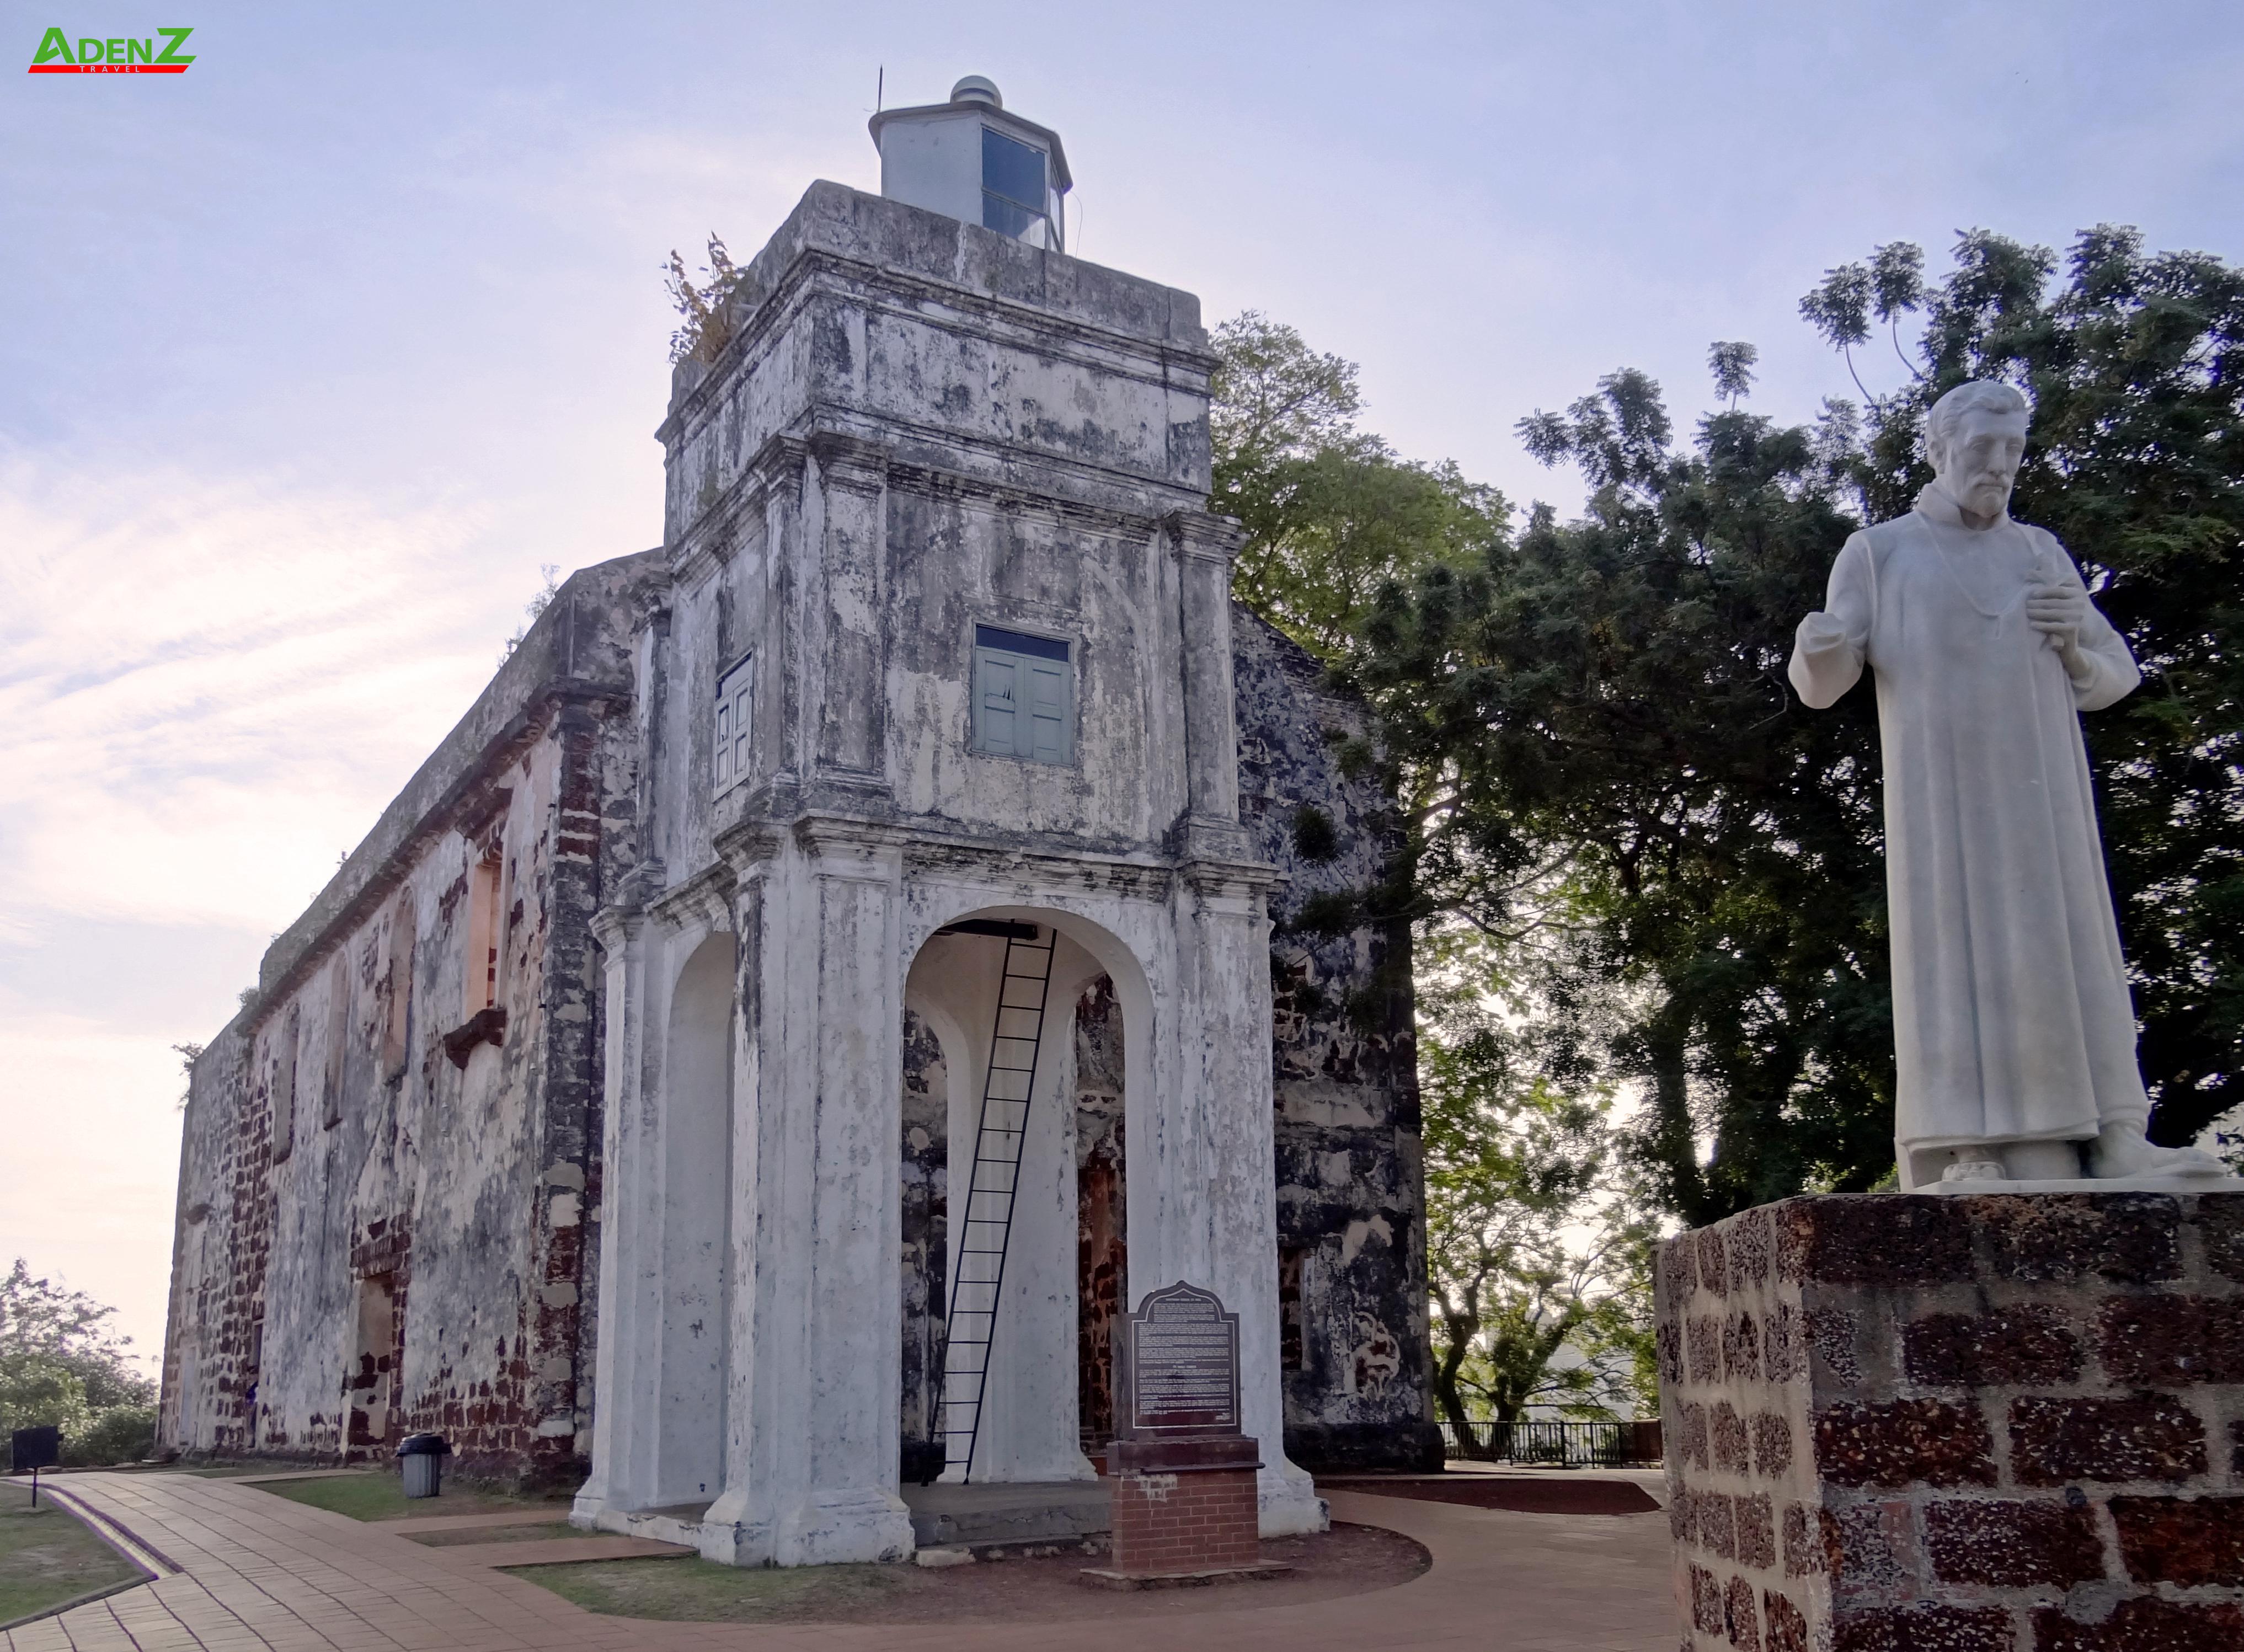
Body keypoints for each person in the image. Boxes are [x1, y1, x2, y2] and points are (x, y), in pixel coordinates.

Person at [1789, 379, 2224, 1188]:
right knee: (1956, 950)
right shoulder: (1880, 552)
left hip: (2042, 786)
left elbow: (2113, 673)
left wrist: (2073, 647)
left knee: (2071, 942)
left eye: (2013, 449)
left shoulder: (2038, 551)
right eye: (1981, 447)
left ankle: (2115, 1136)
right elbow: (1826, 680)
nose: (1998, 465)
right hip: (1942, 797)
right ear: (1939, 450)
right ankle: (1968, 1146)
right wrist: (1818, 646)